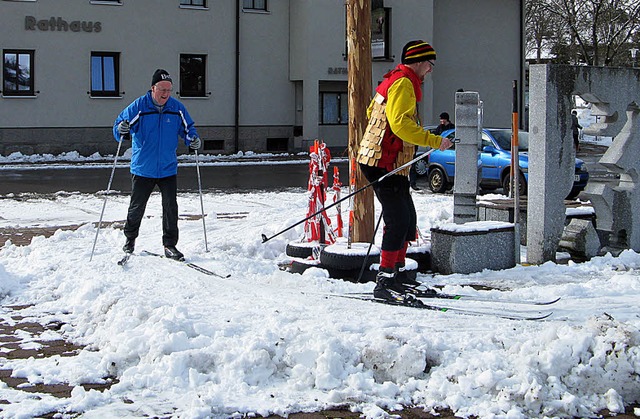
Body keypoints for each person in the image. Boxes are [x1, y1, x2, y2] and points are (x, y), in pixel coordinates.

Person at [357, 40, 453, 301]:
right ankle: (385, 280)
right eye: (430, 64)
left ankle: (398, 277)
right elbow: (399, 125)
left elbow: (372, 112)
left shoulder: (396, 80)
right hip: (381, 161)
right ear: (421, 62)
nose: (431, 70)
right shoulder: (403, 83)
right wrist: (434, 141)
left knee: (407, 218)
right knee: (397, 219)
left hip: (389, 160)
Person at [113, 69, 202, 260]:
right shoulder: (139, 107)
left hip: (167, 167)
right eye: (162, 89)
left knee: (171, 207)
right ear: (153, 88)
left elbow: (188, 129)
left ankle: (170, 245)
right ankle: (130, 239)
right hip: (143, 167)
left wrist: (193, 140)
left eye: (169, 90)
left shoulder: (176, 108)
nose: (165, 94)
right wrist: (121, 130)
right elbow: (120, 124)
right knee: (137, 207)